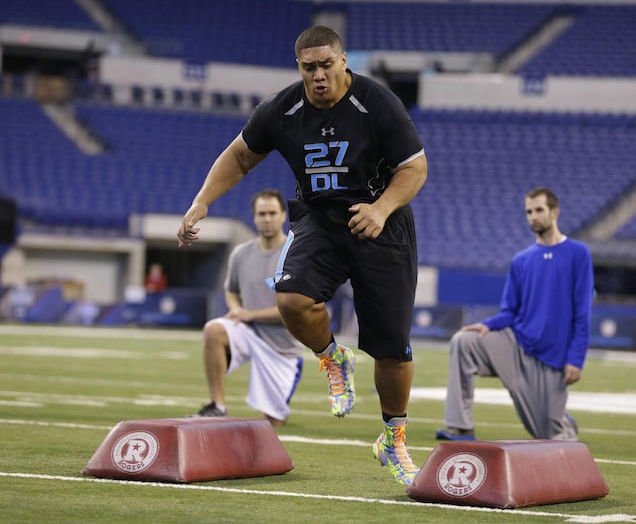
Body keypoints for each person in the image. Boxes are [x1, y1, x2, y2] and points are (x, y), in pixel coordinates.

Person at [176, 26, 427, 486]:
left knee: (392, 348)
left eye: (325, 65)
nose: (318, 76)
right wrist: (201, 201)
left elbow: (415, 168)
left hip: (381, 225)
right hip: (320, 221)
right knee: (291, 298)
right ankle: (333, 358)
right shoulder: (282, 109)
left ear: (343, 61)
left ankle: (393, 439)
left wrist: (381, 207)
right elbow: (238, 157)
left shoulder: (377, 102)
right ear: (299, 69)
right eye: (308, 67)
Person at [435, 187, 593, 442]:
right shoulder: (521, 260)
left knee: (553, 436)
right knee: (463, 342)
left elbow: (582, 311)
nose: (533, 216)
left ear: (555, 212)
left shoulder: (578, 254)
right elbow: (510, 311)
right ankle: (460, 427)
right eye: (529, 212)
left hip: (552, 357)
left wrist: (576, 358)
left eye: (539, 210)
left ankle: (561, 419)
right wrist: (487, 325)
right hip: (516, 345)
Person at [189, 189, 305, 426]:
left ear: (284, 216)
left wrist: (247, 313)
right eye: (262, 214)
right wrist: (235, 309)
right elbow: (231, 289)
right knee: (214, 329)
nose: (267, 219)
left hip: (282, 347)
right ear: (254, 217)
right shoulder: (241, 254)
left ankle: (276, 406)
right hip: (250, 331)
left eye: (272, 213)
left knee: (272, 422)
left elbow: (294, 309)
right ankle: (217, 405)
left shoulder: (296, 254)